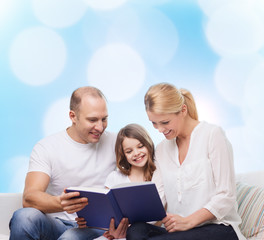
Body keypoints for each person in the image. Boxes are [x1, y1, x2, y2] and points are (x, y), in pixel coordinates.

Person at [126, 83, 246, 240]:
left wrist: (188, 221)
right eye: (154, 123)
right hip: (181, 232)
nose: (159, 129)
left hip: (219, 229)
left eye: (165, 122)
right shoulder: (162, 149)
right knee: (136, 230)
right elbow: (158, 197)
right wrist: (125, 221)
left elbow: (226, 196)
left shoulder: (212, 135)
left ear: (183, 110)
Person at [9, 86, 118, 240]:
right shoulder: (47, 147)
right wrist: (60, 203)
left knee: (70, 238)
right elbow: (29, 197)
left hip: (96, 228)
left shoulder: (117, 143)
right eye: (92, 120)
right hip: (57, 223)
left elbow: (141, 173)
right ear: (73, 116)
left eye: (104, 119)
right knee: (23, 217)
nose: (100, 127)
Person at [76, 123, 165, 240]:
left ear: (148, 144)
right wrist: (88, 222)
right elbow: (107, 214)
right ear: (123, 154)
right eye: (129, 151)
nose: (136, 153)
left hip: (147, 233)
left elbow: (158, 217)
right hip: (116, 233)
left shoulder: (159, 174)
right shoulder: (115, 177)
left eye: (140, 146)